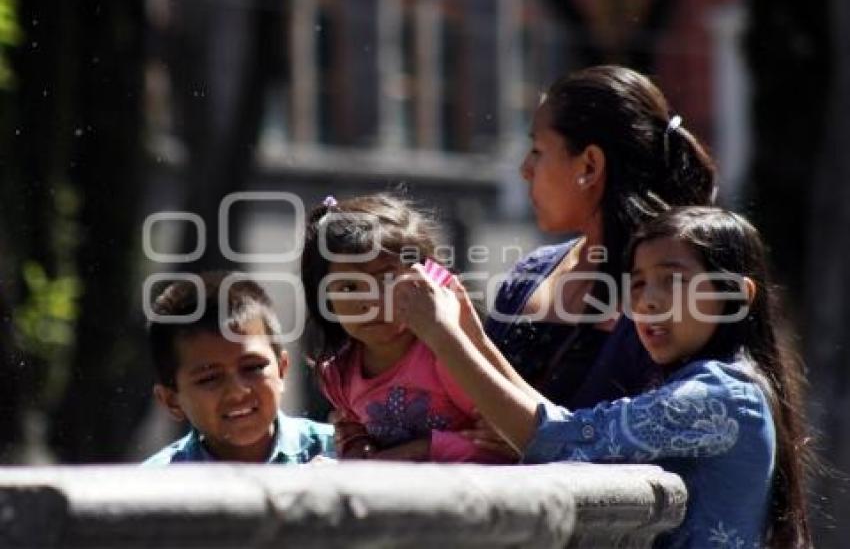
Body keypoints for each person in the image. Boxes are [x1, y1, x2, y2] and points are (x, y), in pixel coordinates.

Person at [395, 207, 812, 547]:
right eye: (639, 283)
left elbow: (557, 438)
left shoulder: (720, 397)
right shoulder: (726, 386)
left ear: (736, 295)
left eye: (672, 280)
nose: (648, 301)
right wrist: (471, 336)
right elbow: (564, 427)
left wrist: (443, 338)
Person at [484, 65, 718, 412]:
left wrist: (454, 340)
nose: (525, 169)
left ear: (589, 165)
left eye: (537, 150)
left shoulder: (671, 294)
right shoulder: (528, 276)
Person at [301, 193, 511, 462]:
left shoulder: (448, 355)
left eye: (388, 280)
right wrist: (357, 445)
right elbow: (355, 434)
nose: (372, 302)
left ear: (424, 281)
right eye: (349, 287)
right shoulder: (337, 375)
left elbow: (498, 444)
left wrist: (408, 453)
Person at [143, 271, 335, 464]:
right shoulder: (154, 487)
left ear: (282, 369)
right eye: (209, 378)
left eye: (253, 368)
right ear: (171, 401)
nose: (237, 392)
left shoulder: (345, 455)